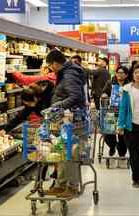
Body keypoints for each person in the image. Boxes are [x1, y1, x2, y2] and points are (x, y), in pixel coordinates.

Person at [45, 49, 87, 198]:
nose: (50, 68)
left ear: (56, 63)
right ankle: (61, 184)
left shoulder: (69, 74)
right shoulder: (67, 73)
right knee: (62, 150)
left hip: (75, 121)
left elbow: (75, 96)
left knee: (72, 151)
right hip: (67, 120)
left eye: (50, 65)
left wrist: (55, 106)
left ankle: (72, 186)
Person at [101, 66, 129, 166]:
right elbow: (104, 92)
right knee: (108, 132)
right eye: (118, 72)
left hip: (125, 112)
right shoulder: (110, 83)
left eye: (122, 73)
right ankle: (112, 146)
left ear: (126, 75)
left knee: (123, 134)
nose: (119, 74)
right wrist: (104, 94)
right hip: (112, 110)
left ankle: (122, 152)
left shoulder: (130, 85)